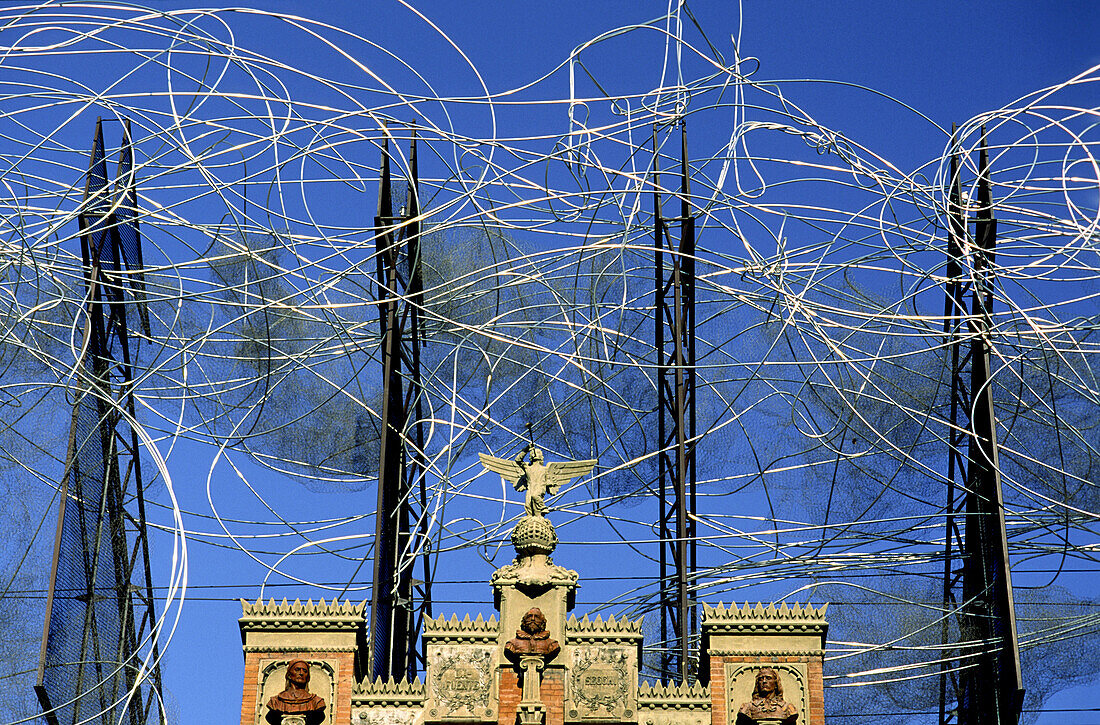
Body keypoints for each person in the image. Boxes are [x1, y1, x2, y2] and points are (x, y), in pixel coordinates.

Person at [265, 659, 326, 725]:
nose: (301, 673)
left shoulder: (316, 702)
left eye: (305, 671)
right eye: (297, 670)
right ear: (289, 675)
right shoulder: (275, 702)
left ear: (307, 677)